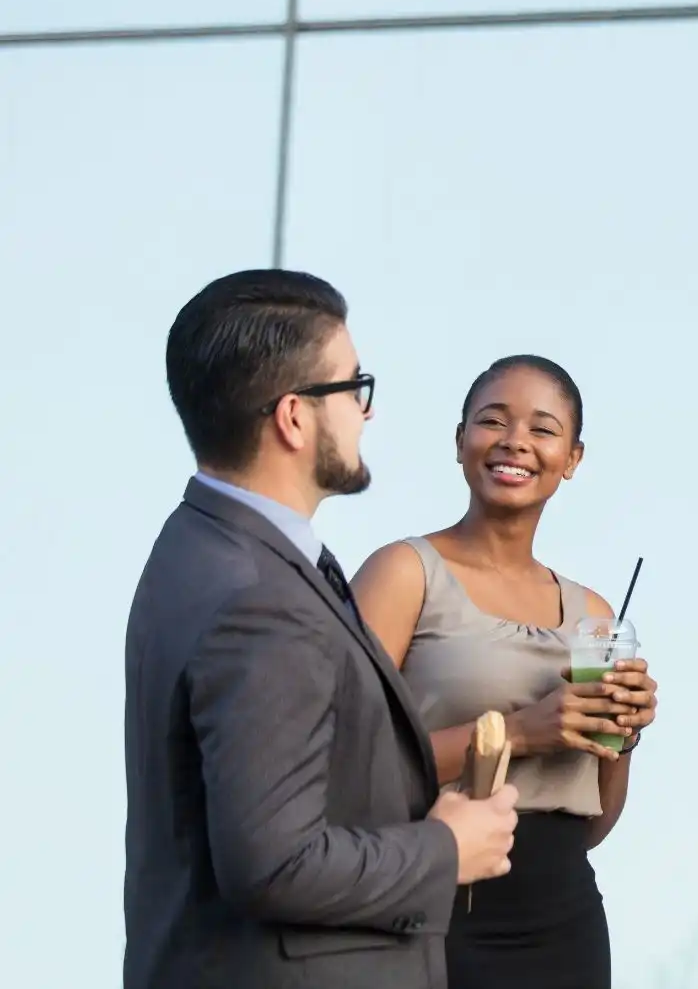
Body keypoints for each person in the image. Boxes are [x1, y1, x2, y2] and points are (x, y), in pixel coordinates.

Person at [124, 269, 519, 989]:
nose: (366, 412)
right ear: (294, 417)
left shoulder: (199, 543)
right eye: (353, 386)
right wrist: (445, 849)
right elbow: (274, 862)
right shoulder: (259, 599)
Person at [352, 354, 658, 989]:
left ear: (572, 459)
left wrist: (622, 738)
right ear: (461, 441)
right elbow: (347, 766)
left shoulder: (594, 615)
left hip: (563, 922)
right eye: (493, 420)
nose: (515, 440)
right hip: (428, 905)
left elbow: (594, 822)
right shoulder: (404, 574)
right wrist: (519, 731)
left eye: (543, 429)